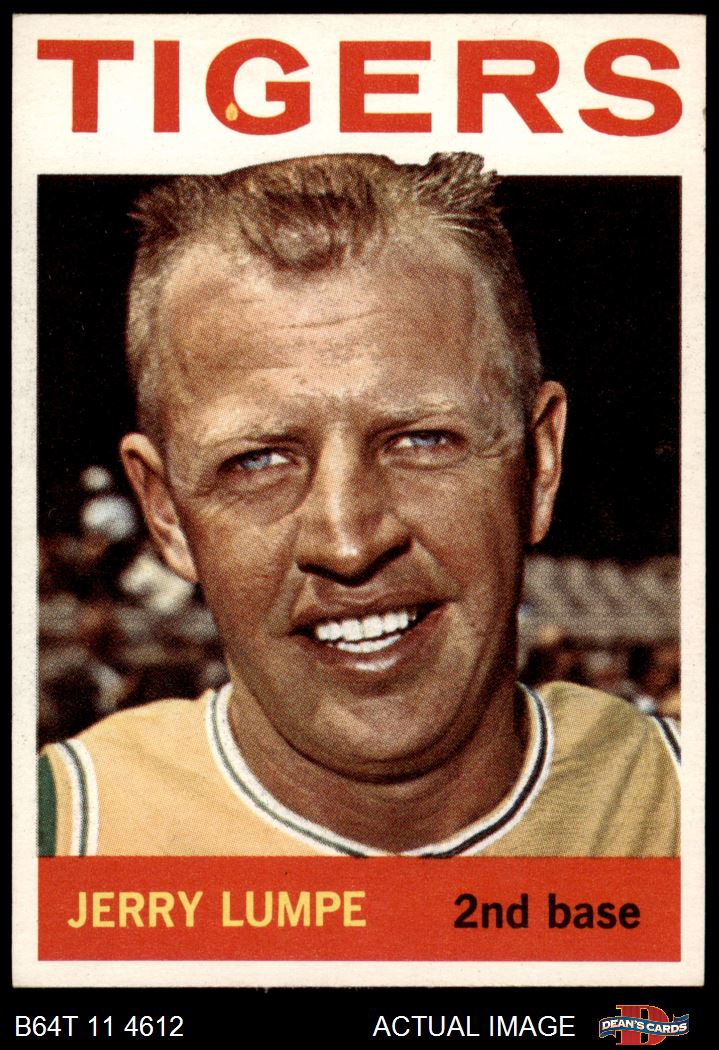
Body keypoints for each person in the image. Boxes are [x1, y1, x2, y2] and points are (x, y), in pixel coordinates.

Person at [38, 152, 679, 857]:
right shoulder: (58, 838)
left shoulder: (674, 805)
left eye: (423, 440)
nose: (347, 543)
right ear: (165, 512)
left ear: (539, 467)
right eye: (258, 460)